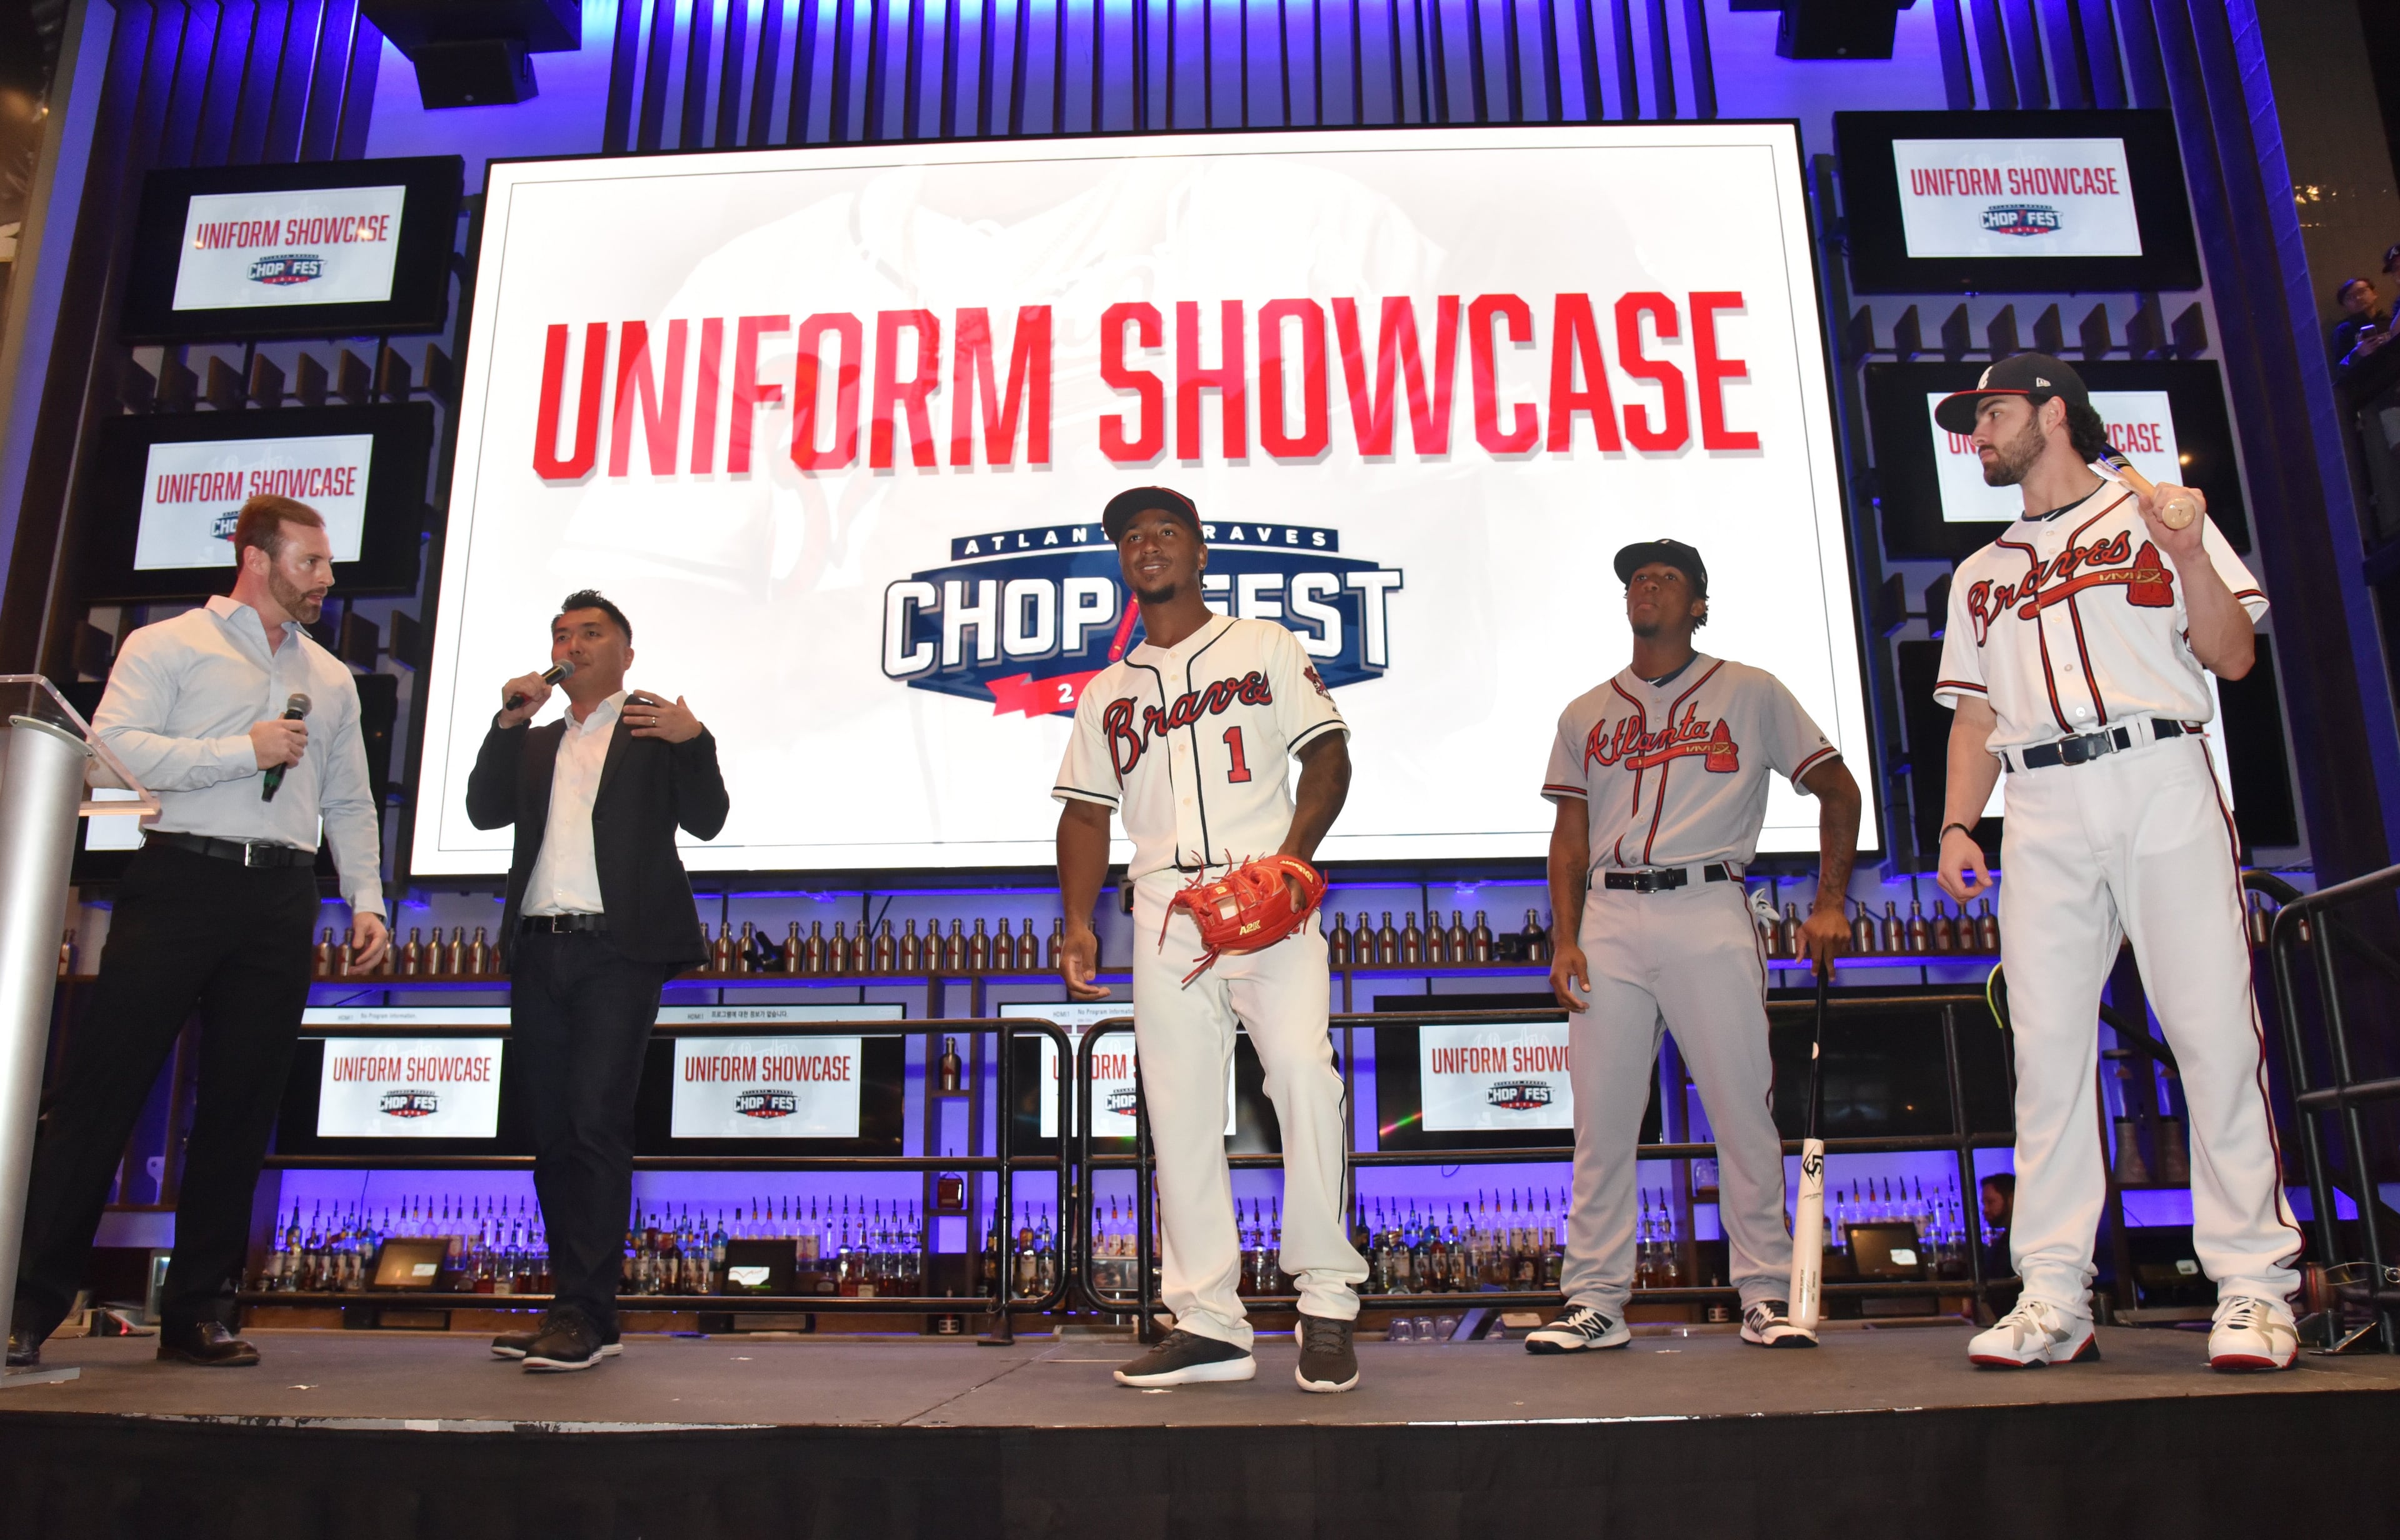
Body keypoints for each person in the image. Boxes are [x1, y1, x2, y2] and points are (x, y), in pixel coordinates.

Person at [1931, 352, 2299, 1372]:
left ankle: (2255, 1286)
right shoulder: (1980, 573)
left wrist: (2188, 557)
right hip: (2038, 802)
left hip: (2157, 772)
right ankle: (2053, 1294)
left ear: (2053, 411)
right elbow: (1975, 716)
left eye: (1993, 412)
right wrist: (1960, 825)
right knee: (2046, 1053)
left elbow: (2232, 656)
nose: (1978, 433)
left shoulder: (2157, 513)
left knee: (2211, 1033)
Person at [6, 496, 389, 1370]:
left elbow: (350, 800)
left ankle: (199, 1312)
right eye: (310, 563)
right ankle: (28, 1304)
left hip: (282, 894)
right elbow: (112, 752)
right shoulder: (168, 644)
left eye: (326, 564)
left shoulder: (331, 677)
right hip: (181, 876)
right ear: (256, 559)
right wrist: (240, 751)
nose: (326, 579)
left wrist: (366, 899)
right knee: (103, 1093)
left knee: (241, 1108)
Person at [1053, 487, 1368, 1393]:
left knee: (1303, 1075)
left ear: (1199, 553)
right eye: (1131, 536)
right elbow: (1085, 813)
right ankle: (1209, 1322)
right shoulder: (1108, 691)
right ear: (1122, 561)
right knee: (1180, 1111)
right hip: (1165, 907)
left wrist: (1294, 862)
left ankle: (1328, 1300)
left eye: (1166, 531)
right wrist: (1078, 923)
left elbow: (1328, 754)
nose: (1147, 544)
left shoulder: (1263, 644)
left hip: (1265, 889)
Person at [1527, 538, 1862, 1355]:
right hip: (1609, 913)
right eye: (1636, 578)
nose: (1646, 585)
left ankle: (1765, 1292)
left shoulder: (1751, 690)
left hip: (1708, 900)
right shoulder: (1585, 711)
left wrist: (1830, 901)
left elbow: (1838, 787)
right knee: (1602, 1122)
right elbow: (1569, 836)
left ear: (1699, 604)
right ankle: (1596, 1299)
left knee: (1741, 1112)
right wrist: (1566, 938)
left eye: (1666, 577)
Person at [467, 590, 726, 1371]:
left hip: (618, 950)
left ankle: (584, 1310)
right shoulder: (537, 740)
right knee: (550, 1133)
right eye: (561, 634)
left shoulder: (655, 731)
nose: (571, 645)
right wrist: (506, 723)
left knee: (594, 1124)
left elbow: (709, 818)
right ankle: (578, 1311)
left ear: (625, 653)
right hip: (537, 947)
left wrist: (696, 740)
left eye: (589, 633)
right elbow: (483, 811)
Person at [2328, 276, 2388, 369]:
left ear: (2374, 293)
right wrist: (2358, 353)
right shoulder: (2344, 331)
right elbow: (2341, 369)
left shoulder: (2389, 321)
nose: (2358, 298)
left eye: (2362, 291)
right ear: (2344, 307)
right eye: (2350, 297)